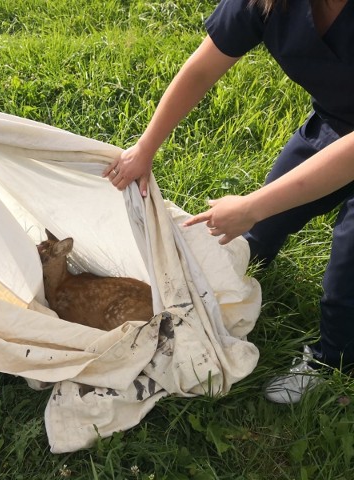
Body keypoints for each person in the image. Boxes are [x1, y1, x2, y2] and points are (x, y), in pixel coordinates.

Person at [102, 0, 353, 403]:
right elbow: (202, 68)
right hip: (333, 125)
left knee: (346, 282)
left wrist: (253, 204)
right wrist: (145, 148)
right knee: (250, 243)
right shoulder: (268, 3)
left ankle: (332, 363)